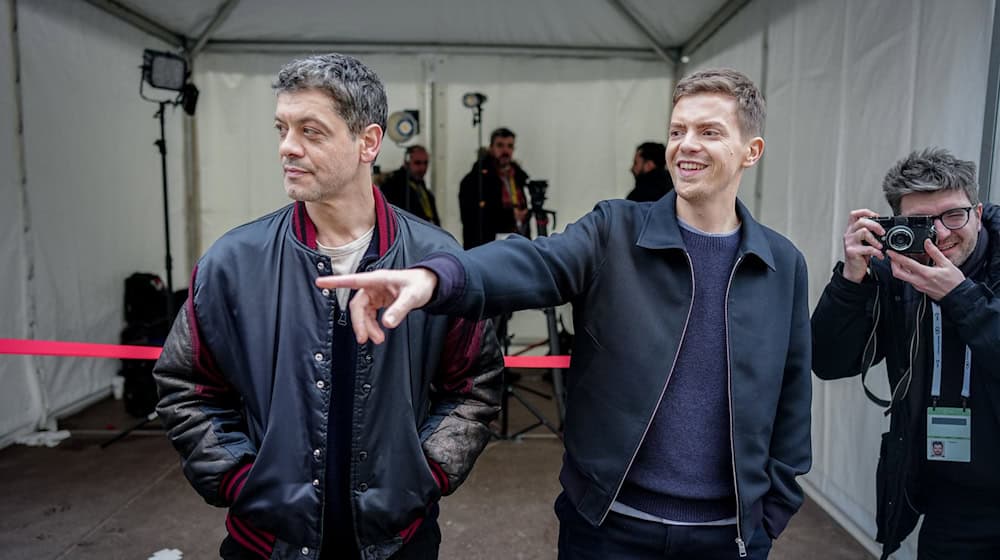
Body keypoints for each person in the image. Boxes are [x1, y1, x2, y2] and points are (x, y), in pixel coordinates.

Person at [319, 68, 812, 559]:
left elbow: (791, 396)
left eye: (709, 132)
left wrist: (771, 510)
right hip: (609, 526)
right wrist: (435, 277)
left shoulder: (782, 264)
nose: (686, 145)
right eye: (677, 130)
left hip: (730, 537)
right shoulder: (613, 231)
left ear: (752, 151)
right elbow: (535, 262)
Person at [152, 53, 503, 560]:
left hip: (399, 541)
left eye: (310, 131)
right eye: (282, 128)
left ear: (368, 142)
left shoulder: (436, 261)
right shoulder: (232, 262)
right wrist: (239, 478)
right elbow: (186, 386)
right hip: (267, 542)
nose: (287, 148)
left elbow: (475, 385)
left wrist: (426, 471)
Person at [812, 149, 1000, 559]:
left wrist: (959, 297)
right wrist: (851, 279)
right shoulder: (897, 273)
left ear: (979, 211)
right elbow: (828, 362)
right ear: (897, 222)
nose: (941, 233)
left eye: (953, 215)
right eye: (921, 222)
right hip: (947, 502)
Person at [458, 127, 530, 248]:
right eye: (500, 145)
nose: (505, 150)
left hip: (517, 242)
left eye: (510, 146)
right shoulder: (476, 179)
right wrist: (510, 216)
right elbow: (473, 218)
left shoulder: (518, 177)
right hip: (487, 246)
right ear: (491, 148)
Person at [380, 145, 440, 225]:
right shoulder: (394, 187)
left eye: (425, 163)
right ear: (406, 163)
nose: (423, 168)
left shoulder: (422, 189)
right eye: (417, 163)